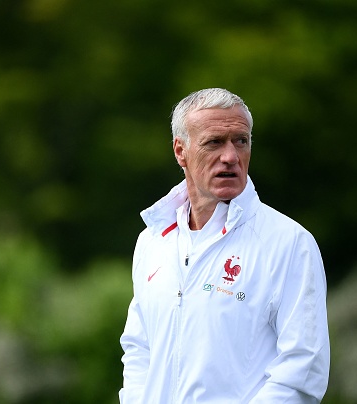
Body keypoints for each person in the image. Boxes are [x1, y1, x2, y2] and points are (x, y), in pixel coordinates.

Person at [119, 88, 330, 403]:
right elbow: (139, 349)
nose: (230, 156)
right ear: (181, 152)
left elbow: (303, 370)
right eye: (214, 142)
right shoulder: (152, 240)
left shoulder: (290, 243)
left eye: (241, 141)